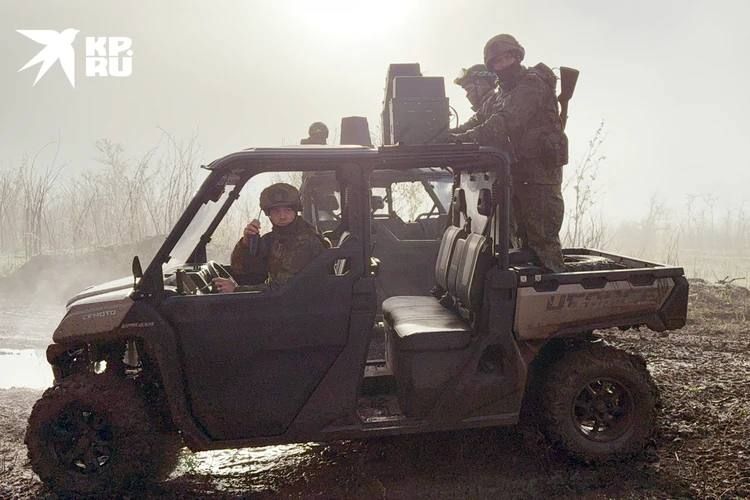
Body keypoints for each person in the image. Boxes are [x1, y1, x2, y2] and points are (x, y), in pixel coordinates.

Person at [450, 34, 567, 272]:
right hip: (518, 178)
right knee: (519, 247)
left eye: (507, 58)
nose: (503, 65)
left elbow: (504, 122)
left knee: (543, 247)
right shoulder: (502, 93)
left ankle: (553, 291)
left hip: (539, 181)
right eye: (497, 62)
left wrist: (463, 139)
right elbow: (478, 120)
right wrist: (447, 137)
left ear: (517, 56)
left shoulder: (531, 85)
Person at [213, 182, 327, 293]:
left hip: (300, 302)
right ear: (269, 214)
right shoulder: (272, 239)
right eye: (276, 211)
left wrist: (236, 290)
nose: (282, 216)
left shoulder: (306, 241)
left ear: (295, 211)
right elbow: (242, 270)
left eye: (287, 210)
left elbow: (284, 289)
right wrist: (246, 243)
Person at [450, 63, 498, 134]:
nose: (467, 95)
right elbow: (467, 127)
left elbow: (484, 132)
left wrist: (458, 137)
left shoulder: (498, 104)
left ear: (481, 84)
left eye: (469, 89)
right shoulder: (483, 110)